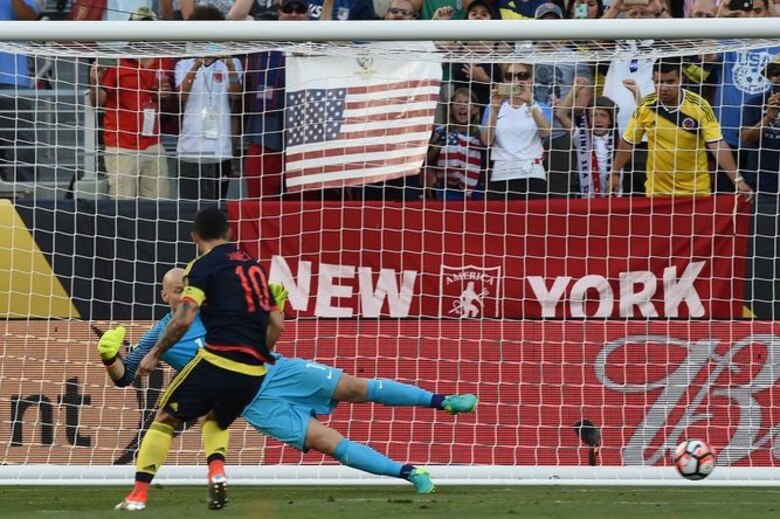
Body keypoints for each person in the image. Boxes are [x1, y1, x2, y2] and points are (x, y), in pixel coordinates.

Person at [98, 269, 478, 497]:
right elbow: (126, 377)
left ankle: (442, 401)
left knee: (356, 388)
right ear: (165, 295)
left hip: (279, 371)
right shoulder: (161, 335)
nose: (183, 293)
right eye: (176, 289)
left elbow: (264, 333)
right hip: (255, 403)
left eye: (188, 286)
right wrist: (109, 356)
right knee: (329, 443)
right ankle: (411, 473)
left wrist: (272, 310)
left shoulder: (220, 308)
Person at [114, 207, 284, 510]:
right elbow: (277, 325)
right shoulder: (255, 267)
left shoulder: (201, 267)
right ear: (229, 233)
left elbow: (183, 320)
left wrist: (154, 355)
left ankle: (137, 495)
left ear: (195, 237)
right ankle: (217, 470)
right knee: (215, 418)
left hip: (218, 359)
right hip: (253, 370)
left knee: (164, 418)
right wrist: (260, 355)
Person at [609, 58, 754, 201]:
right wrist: (615, 173)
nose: (664, 87)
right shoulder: (646, 106)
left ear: (681, 80)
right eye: (659, 82)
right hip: (657, 192)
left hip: (696, 191)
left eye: (670, 82)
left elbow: (717, 144)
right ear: (652, 79)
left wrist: (738, 180)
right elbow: (628, 142)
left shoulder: (699, 106)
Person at [88, 7, 175, 198]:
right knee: (123, 205)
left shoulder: (164, 60)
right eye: (139, 27)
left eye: (148, 27)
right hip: (121, 145)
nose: (144, 32)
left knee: (159, 206)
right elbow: (97, 102)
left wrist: (165, 96)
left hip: (153, 142)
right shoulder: (116, 61)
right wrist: (95, 82)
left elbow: (173, 101)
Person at [175, 5, 243, 200]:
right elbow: (181, 96)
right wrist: (197, 64)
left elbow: (236, 95)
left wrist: (229, 64)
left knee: (217, 202)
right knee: (188, 205)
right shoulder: (184, 64)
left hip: (219, 148)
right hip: (190, 146)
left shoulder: (233, 63)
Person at [480, 62, 552, 200]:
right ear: (504, 81)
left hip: (533, 173)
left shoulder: (542, 106)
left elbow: (545, 133)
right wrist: (495, 110)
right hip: (501, 173)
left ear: (531, 79)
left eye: (522, 76)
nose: (516, 81)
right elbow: (487, 141)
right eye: (510, 76)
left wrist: (530, 103)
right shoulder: (492, 106)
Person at [0, 0, 39, 183]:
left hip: (11, 76)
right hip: (12, 79)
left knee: (20, 143)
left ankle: (26, 200)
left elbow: (30, 19)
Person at [426, 87, 486, 200]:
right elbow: (428, 162)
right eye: (458, 103)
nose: (462, 106)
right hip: (448, 190)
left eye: (467, 102)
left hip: (476, 189)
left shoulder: (482, 133)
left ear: (475, 110)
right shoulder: (441, 131)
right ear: (451, 108)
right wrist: (435, 150)